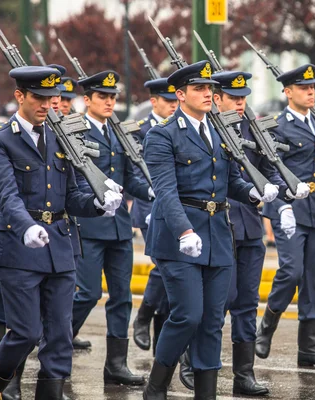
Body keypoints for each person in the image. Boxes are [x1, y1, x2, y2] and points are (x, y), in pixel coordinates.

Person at [0, 65, 122, 399]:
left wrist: (99, 204)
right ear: (20, 96)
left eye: (52, 97)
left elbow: (73, 194)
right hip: (19, 246)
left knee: (60, 337)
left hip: (61, 247)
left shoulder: (60, 137)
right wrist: (26, 227)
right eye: (39, 97)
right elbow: (6, 193)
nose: (48, 104)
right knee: (25, 332)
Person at [142, 60, 279, 399]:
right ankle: (156, 387)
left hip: (218, 234)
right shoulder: (162, 135)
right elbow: (166, 191)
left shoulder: (218, 132)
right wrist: (184, 231)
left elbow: (229, 180)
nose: (207, 94)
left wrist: (252, 192)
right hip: (179, 238)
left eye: (210, 89)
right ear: (180, 94)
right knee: (188, 315)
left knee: (213, 321)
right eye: (199, 88)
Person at [212, 70, 309, 395]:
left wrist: (285, 196)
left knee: (246, 301)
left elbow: (268, 171)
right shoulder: (208, 129)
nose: (240, 104)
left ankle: (244, 376)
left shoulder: (251, 127)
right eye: (234, 98)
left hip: (251, 228)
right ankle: (193, 361)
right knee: (220, 300)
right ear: (217, 98)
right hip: (219, 225)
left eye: (243, 98)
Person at [256, 63, 315, 368]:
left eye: (312, 87)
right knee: (291, 271)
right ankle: (267, 325)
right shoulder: (277, 127)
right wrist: (283, 200)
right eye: (304, 88)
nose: (310, 92)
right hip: (289, 207)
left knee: (313, 281)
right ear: (288, 92)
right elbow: (270, 168)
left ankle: (309, 349)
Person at [69, 70, 153, 385]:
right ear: (87, 99)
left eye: (112, 96)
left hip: (119, 227)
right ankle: (57, 343)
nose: (108, 101)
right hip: (89, 225)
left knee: (121, 297)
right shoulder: (75, 132)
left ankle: (116, 365)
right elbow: (76, 180)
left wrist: (148, 191)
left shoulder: (118, 132)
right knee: (87, 293)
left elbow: (128, 177)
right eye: (102, 96)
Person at [132, 78, 178, 354]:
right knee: (164, 266)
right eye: (168, 101)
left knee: (174, 272)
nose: (173, 106)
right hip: (150, 209)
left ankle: (161, 332)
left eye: (176, 101)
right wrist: (150, 210)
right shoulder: (140, 131)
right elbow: (137, 174)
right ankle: (144, 316)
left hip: (175, 209)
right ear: (154, 102)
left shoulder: (178, 128)